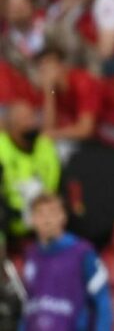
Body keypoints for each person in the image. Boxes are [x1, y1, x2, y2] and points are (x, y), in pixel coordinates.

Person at [21, 194, 112, 331]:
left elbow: (102, 301)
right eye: (40, 214)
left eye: (52, 213)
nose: (47, 220)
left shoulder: (82, 252)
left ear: (63, 217)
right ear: (32, 219)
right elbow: (28, 307)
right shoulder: (31, 255)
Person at [0, 101, 60, 238]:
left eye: (32, 117)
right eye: (24, 119)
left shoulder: (45, 146)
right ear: (11, 127)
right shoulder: (1, 148)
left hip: (47, 222)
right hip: (10, 223)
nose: (31, 123)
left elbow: (57, 184)